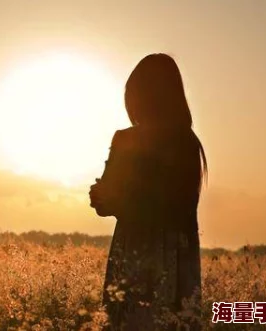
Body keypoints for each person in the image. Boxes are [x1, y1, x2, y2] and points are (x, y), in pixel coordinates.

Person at [89, 53, 207, 331]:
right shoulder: (188, 142)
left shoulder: (129, 139)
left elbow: (109, 203)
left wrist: (106, 198)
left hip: (134, 249)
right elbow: (180, 207)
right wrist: (107, 199)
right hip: (178, 256)